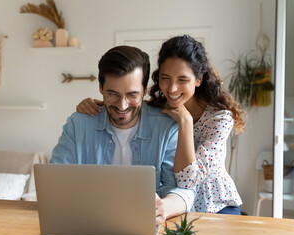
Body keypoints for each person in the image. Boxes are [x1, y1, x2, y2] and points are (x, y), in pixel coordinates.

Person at [76, 35, 245, 214]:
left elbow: (188, 180)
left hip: (215, 207)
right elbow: (125, 106)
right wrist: (96, 106)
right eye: (166, 78)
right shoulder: (159, 109)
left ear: (198, 79)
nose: (172, 88)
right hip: (175, 209)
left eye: (182, 79)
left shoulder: (219, 119)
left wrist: (185, 121)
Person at [50, 45, 195, 225]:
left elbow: (183, 190)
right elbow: (54, 183)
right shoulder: (79, 123)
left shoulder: (166, 127)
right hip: (86, 224)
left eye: (132, 95)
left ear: (144, 89)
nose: (122, 105)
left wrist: (163, 207)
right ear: (101, 87)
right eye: (113, 94)